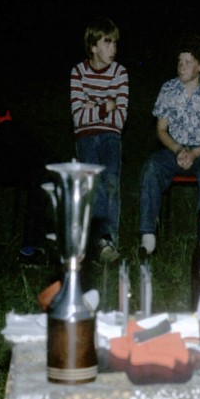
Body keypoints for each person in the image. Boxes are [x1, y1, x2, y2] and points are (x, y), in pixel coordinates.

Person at [138, 35, 200, 256]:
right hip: (175, 150)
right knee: (151, 167)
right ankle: (148, 237)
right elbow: (161, 129)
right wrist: (179, 149)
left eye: (188, 62)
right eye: (180, 61)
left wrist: (195, 153)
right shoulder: (168, 89)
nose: (181, 66)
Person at [0, 60, 52, 265]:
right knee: (6, 129)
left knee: (40, 173)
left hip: (2, 166)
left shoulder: (0, 112)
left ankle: (29, 249)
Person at [70, 17, 129, 263]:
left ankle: (109, 241)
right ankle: (100, 241)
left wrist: (92, 107)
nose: (113, 48)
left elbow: (120, 118)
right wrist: (106, 106)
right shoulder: (78, 72)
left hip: (111, 135)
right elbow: (78, 117)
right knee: (94, 183)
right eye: (107, 43)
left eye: (115, 43)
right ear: (93, 46)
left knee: (111, 180)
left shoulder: (120, 73)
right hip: (85, 136)